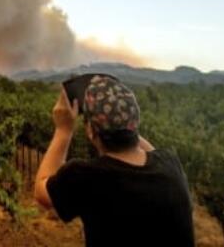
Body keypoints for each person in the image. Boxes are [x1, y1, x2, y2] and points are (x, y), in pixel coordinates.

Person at [33, 75, 195, 246]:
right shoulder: (171, 164)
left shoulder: (85, 177)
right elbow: (151, 153)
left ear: (90, 130)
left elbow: (40, 192)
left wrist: (63, 130)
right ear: (135, 122)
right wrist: (122, 119)